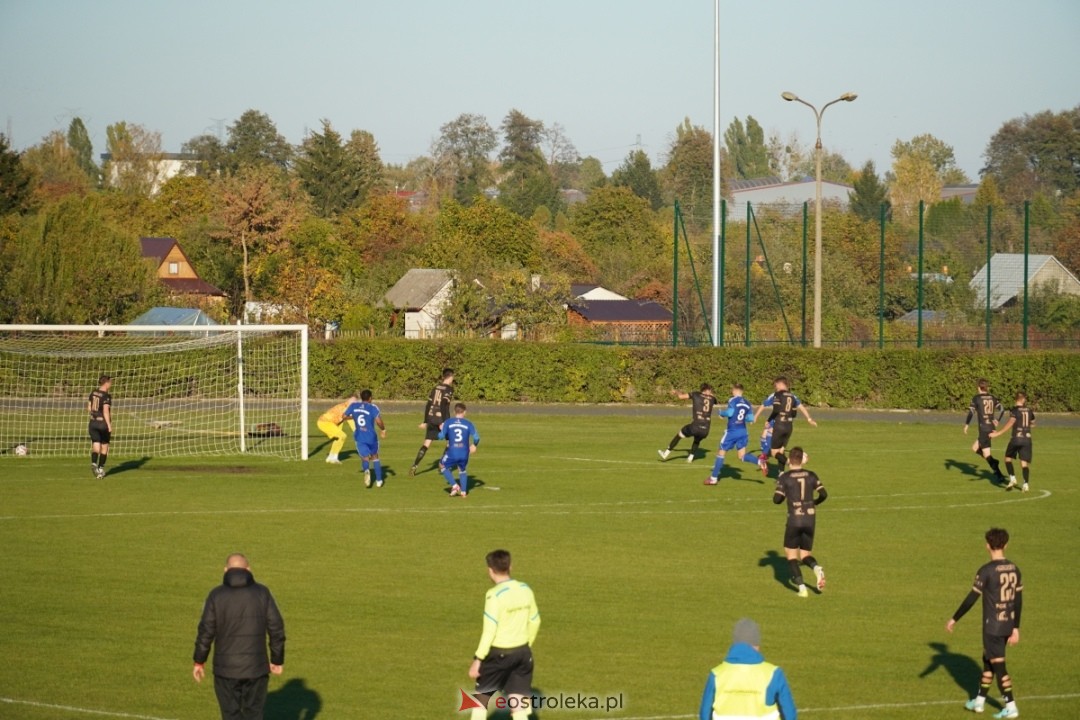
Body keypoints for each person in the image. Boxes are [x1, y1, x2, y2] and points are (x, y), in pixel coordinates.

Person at [193, 553, 286, 720]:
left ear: (225, 570)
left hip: (225, 669)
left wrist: (199, 661)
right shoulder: (262, 593)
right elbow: (276, 628)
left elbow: (206, 631)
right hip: (256, 669)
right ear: (248, 569)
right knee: (254, 714)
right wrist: (277, 659)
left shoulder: (216, 595)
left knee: (230, 715)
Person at [946, 528, 1023, 718]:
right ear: (1006, 545)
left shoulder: (987, 571)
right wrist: (1015, 628)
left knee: (999, 667)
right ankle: (979, 702)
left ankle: (1011, 706)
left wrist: (954, 618)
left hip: (993, 626)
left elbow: (972, 598)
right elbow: (1018, 601)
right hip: (1007, 625)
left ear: (987, 546)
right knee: (988, 661)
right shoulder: (1014, 568)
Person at [467, 549, 541, 720]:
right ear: (510, 567)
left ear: (490, 570)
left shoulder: (494, 595)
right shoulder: (525, 589)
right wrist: (526, 644)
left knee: (481, 698)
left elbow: (489, 631)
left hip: (499, 654)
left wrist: (478, 659)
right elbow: (535, 620)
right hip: (523, 652)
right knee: (517, 701)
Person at [698, 618, 797, 720]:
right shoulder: (774, 674)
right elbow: (789, 714)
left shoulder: (716, 675)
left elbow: (705, 714)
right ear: (756, 644)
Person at [772, 447, 827, 598]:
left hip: (795, 519)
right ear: (802, 458)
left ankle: (802, 589)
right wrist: (814, 502)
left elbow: (776, 500)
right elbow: (824, 494)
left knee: (791, 555)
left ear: (789, 459)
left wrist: (782, 491)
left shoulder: (785, 477)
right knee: (805, 554)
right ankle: (816, 568)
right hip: (810, 519)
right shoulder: (811, 474)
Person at [754, 377, 817, 474]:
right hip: (789, 426)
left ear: (780, 384)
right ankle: (781, 474)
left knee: (774, 452)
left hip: (778, 425)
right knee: (781, 451)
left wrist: (758, 417)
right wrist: (809, 418)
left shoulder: (776, 394)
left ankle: (791, 463)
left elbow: (766, 406)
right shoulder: (792, 396)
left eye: (776, 385)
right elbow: (799, 409)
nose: (775, 388)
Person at [705, 383, 762, 485]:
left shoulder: (733, 400)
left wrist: (721, 413)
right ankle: (759, 462)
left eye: (732, 390)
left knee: (721, 452)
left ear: (735, 391)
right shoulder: (747, 403)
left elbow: (730, 413)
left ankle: (713, 478)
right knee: (742, 455)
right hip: (743, 431)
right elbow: (750, 419)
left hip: (732, 431)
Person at [411, 368, 455, 476]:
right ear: (449, 377)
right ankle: (442, 464)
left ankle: (414, 465)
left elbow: (428, 405)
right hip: (441, 419)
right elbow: (443, 404)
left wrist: (425, 421)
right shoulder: (449, 389)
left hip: (431, 418)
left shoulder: (435, 388)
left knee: (426, 443)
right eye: (453, 377)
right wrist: (444, 421)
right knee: (450, 441)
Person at [659, 384, 717, 463]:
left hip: (695, 426)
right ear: (709, 390)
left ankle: (666, 453)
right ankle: (690, 458)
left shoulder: (696, 394)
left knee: (679, 435)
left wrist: (676, 392)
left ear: (702, 390)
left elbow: (681, 397)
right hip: (706, 429)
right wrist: (710, 395)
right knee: (697, 440)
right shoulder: (713, 399)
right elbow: (714, 399)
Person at [964, 378, 1006, 483]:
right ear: (987, 387)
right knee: (974, 448)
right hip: (991, 427)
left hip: (984, 429)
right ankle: (993, 462)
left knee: (987, 454)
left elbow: (971, 412)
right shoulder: (993, 397)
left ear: (979, 387)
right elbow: (1002, 409)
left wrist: (966, 425)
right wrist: (998, 420)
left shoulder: (976, 398)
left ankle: (998, 473)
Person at [990, 392, 1034, 492]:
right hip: (1027, 439)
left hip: (1016, 439)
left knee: (1007, 458)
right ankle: (1026, 484)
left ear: (1016, 399)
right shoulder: (1029, 410)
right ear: (1023, 399)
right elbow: (1033, 423)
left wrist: (998, 433)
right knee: (1024, 463)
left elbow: (1011, 422)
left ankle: (1013, 478)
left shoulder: (1014, 410)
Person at [344, 390, 387, 488]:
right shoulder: (373, 408)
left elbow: (344, 416)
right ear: (370, 398)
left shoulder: (353, 406)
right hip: (371, 437)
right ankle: (379, 481)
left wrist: (353, 417)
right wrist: (383, 429)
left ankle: (366, 470)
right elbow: (378, 421)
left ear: (361, 397)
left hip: (359, 437)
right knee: (375, 456)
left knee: (364, 457)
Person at [439, 403, 480, 497]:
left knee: (442, 465)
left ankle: (455, 485)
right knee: (462, 469)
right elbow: (477, 438)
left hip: (452, 451)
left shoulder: (448, 422)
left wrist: (440, 429)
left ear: (454, 412)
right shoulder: (468, 423)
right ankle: (464, 492)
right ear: (464, 412)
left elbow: (441, 437)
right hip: (465, 452)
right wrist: (474, 445)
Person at [316, 393, 357, 464]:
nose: (354, 403)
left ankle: (331, 457)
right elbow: (349, 419)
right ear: (348, 400)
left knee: (339, 438)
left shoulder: (347, 408)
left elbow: (350, 422)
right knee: (342, 436)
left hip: (329, 423)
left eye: (355, 401)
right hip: (324, 422)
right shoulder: (345, 408)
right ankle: (333, 457)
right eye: (352, 401)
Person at [87, 374, 113, 479]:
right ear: (106, 383)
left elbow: (88, 407)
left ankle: (94, 463)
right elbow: (106, 411)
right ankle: (101, 468)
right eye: (110, 382)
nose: (111, 384)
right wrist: (109, 425)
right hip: (102, 423)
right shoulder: (106, 396)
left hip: (93, 423)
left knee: (96, 445)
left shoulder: (93, 392)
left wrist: (95, 413)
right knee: (105, 446)